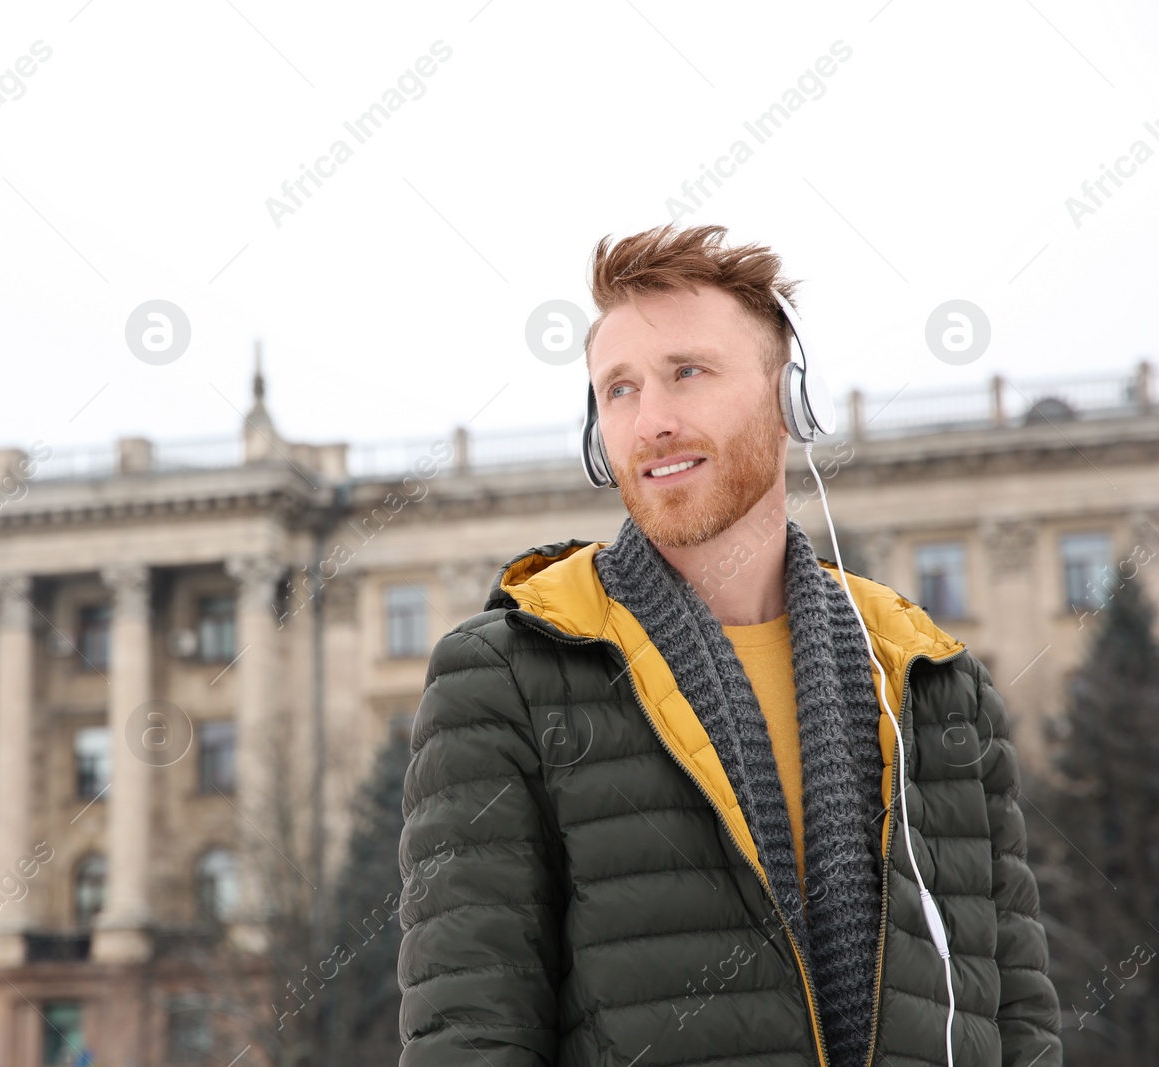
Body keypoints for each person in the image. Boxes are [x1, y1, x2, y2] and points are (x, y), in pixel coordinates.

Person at [395, 224, 1061, 1066]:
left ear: (786, 400)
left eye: (687, 373)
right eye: (619, 390)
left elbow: (1020, 1018)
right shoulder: (507, 677)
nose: (651, 423)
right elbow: (471, 1034)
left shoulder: (927, 678)